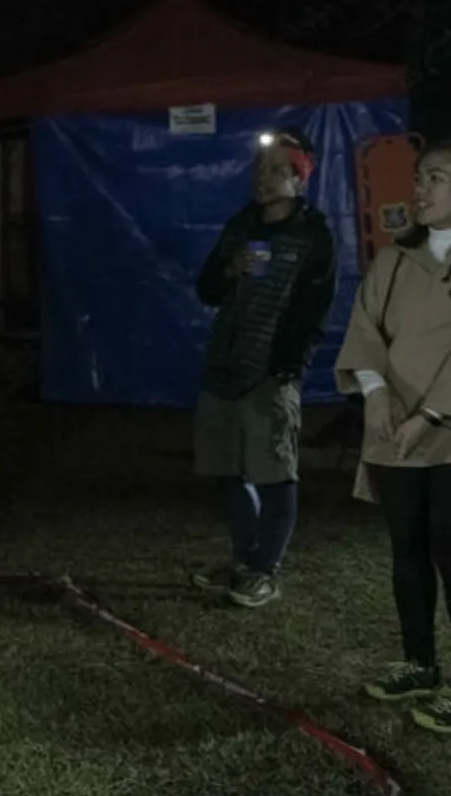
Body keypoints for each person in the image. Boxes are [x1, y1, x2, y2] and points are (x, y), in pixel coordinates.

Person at [189, 130, 336, 609]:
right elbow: (207, 289)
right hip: (224, 369)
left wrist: (285, 367)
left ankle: (265, 569)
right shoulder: (241, 226)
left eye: (277, 170)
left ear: (299, 179)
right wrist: (230, 268)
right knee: (225, 470)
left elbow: (315, 308)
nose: (263, 179)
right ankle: (245, 559)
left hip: (271, 372)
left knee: (273, 473)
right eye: (259, 169)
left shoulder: (313, 235)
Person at [337, 140, 451, 733]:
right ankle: (420, 664)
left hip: (444, 435)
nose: (420, 189)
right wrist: (376, 391)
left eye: (436, 177)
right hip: (394, 434)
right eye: (419, 177)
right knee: (406, 551)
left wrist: (429, 415)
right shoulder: (393, 260)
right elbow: (364, 329)